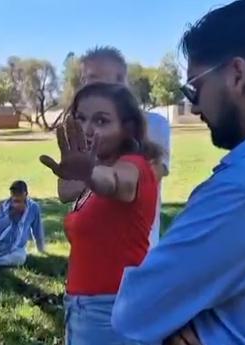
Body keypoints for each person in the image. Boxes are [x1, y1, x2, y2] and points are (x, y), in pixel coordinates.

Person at [110, 1, 245, 345]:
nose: (194, 108)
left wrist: (173, 313)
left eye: (194, 88)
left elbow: (136, 309)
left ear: (237, 75)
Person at [40, 82, 161, 345]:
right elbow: (65, 191)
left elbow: (115, 183)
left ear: (128, 128)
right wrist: (83, 168)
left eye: (102, 121)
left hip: (113, 312)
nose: (87, 128)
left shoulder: (133, 166)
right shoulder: (95, 172)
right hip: (83, 309)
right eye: (80, 118)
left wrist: (89, 171)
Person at [58, 46, 171, 247]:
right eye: (84, 79)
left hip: (134, 252)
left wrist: (89, 172)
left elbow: (145, 179)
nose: (85, 85)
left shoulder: (155, 124)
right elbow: (66, 191)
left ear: (120, 80)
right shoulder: (84, 127)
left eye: (92, 78)